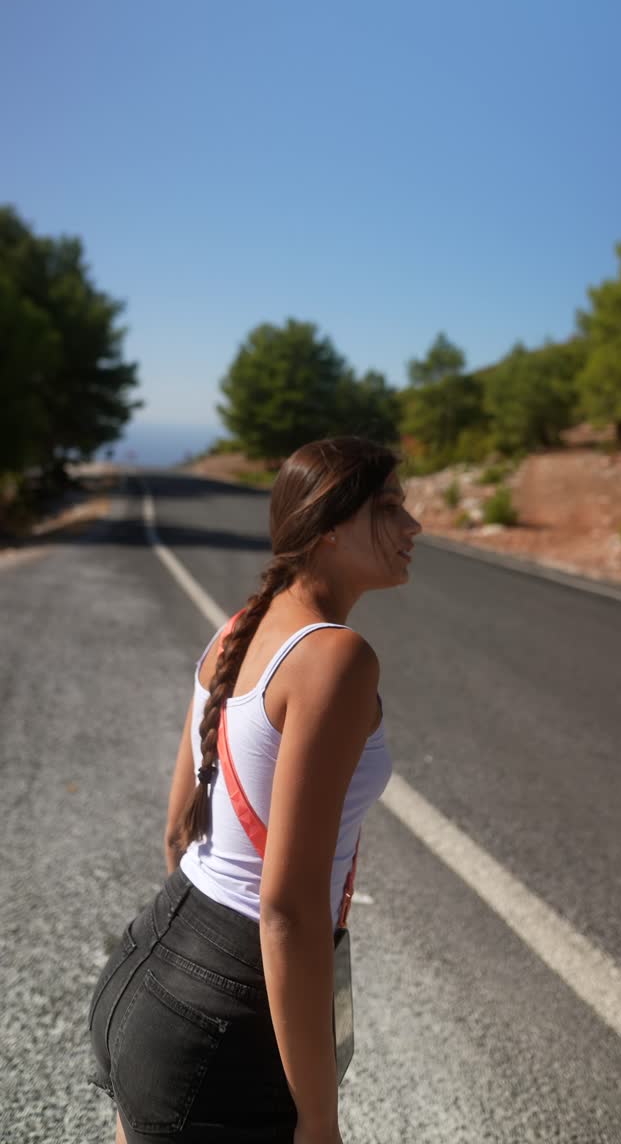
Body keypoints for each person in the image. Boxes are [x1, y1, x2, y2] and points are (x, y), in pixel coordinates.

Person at [88, 434, 422, 1144]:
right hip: (222, 1022)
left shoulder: (239, 631)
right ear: (330, 527)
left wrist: (195, 968)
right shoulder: (336, 657)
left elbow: (179, 831)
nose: (412, 526)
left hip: (149, 972)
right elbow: (288, 909)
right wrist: (321, 1121)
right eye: (389, 507)